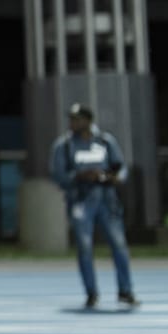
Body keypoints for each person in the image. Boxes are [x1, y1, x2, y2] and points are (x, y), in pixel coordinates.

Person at [49, 102, 139, 310]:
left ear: (88, 121)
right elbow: (58, 175)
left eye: (77, 119)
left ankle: (125, 290)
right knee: (85, 247)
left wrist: (113, 177)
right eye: (71, 119)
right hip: (81, 200)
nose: (72, 123)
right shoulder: (64, 145)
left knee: (119, 245)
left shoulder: (105, 141)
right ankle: (91, 293)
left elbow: (121, 168)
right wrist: (79, 176)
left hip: (107, 200)